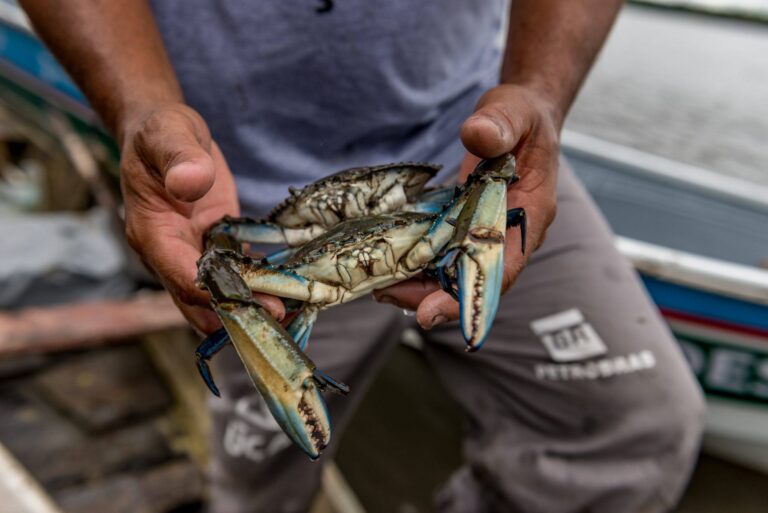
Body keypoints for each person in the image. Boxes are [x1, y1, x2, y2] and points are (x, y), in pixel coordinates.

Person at [20, 1, 705, 512]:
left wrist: (540, 94)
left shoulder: (474, 187)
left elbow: (498, 172)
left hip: (466, 164)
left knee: (637, 426)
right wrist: (141, 111)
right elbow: (228, 267)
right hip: (231, 195)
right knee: (259, 481)